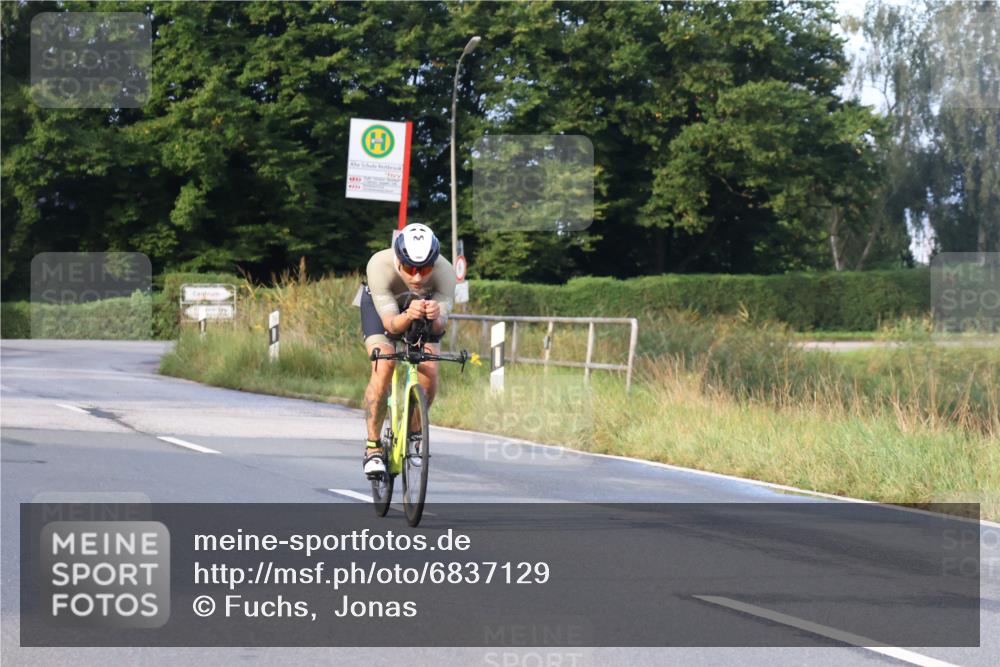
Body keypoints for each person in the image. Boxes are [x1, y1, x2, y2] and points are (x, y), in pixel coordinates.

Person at [360, 223, 456, 477]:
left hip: (422, 309)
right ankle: (372, 448)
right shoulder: (379, 265)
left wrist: (436, 315)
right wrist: (407, 316)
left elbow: (439, 325)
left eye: (424, 269)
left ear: (434, 263)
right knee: (384, 365)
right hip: (383, 310)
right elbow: (390, 324)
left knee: (430, 368)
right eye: (410, 268)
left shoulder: (446, 271)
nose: (416, 277)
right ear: (398, 260)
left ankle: (414, 432)